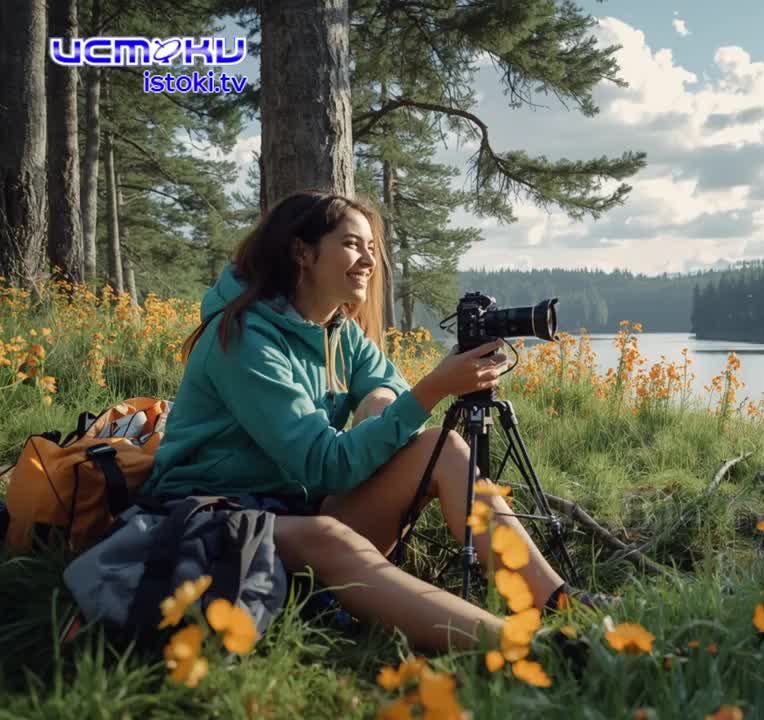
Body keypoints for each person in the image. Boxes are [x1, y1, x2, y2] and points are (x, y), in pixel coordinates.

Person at [141, 188, 607, 652]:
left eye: (371, 248)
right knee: (326, 535)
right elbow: (324, 464)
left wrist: (380, 401)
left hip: (295, 508)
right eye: (351, 244)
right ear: (302, 252)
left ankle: (559, 603)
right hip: (211, 516)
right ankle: (527, 646)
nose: (368, 260)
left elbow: (392, 389)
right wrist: (434, 388)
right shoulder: (243, 338)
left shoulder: (337, 332)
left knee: (439, 450)